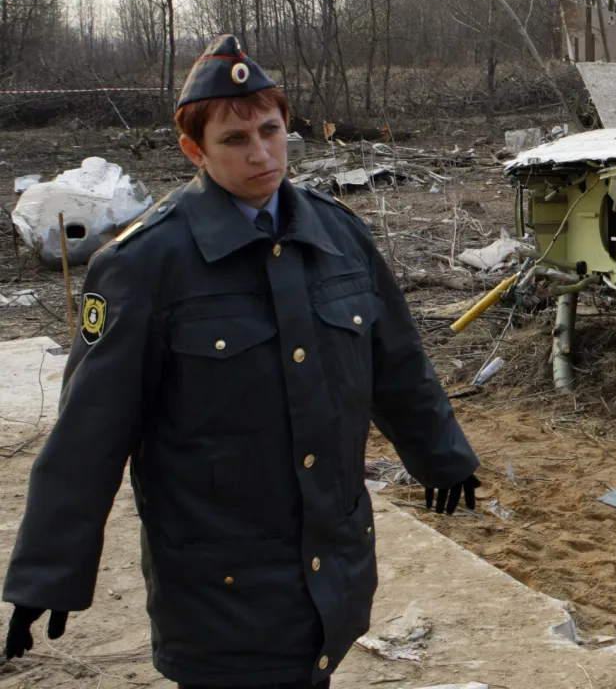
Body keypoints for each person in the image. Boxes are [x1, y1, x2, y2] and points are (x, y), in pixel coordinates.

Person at [3, 35, 480, 688]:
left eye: (271, 129)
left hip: (331, 563)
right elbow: (90, 428)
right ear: (193, 151)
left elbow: (397, 361)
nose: (261, 153)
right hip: (218, 586)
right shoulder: (142, 265)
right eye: (235, 139)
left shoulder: (338, 237)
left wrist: (442, 455)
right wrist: (49, 568)